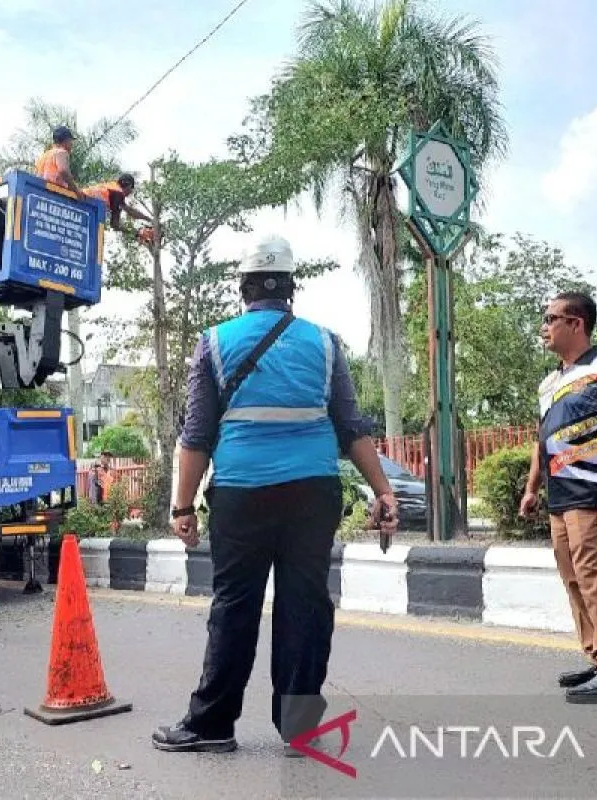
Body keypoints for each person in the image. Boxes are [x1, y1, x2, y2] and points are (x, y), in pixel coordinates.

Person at [151, 234, 398, 755]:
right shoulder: (325, 343)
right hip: (312, 494)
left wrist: (182, 506)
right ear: (291, 289)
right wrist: (383, 491)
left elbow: (196, 434)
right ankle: (301, 728)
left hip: (241, 494)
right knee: (305, 605)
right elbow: (351, 426)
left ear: (243, 289)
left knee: (234, 605)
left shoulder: (214, 342)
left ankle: (212, 725)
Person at [519, 291, 597, 703]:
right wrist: (532, 488)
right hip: (560, 498)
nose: (544, 327)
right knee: (574, 581)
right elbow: (542, 440)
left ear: (576, 324)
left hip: (593, 496)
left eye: (550, 318)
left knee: (596, 579)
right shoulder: (550, 383)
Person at [83, 173, 153, 236]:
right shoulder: (117, 193)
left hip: (81, 200)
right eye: (131, 189)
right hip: (83, 206)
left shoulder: (111, 188)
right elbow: (115, 224)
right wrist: (136, 232)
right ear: (129, 186)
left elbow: (128, 210)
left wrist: (146, 219)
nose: (130, 192)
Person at [33, 125, 85, 197]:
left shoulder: (43, 156)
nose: (72, 144)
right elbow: (63, 170)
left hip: (40, 192)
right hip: (54, 192)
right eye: (71, 141)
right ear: (66, 140)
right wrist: (76, 190)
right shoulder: (61, 152)